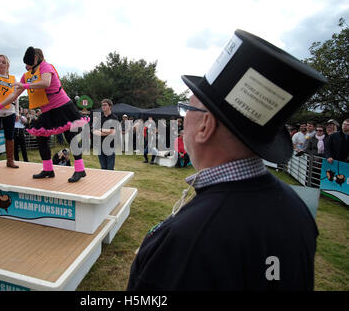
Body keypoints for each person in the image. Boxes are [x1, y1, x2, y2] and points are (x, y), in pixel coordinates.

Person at [127, 29, 327, 291]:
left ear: (205, 126)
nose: (183, 118)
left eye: (187, 108)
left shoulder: (189, 239)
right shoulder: (297, 208)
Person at [0, 47, 89, 182]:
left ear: (35, 59)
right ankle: (48, 169)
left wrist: (25, 86)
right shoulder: (26, 76)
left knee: (70, 136)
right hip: (48, 111)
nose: (25, 65)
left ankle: (80, 170)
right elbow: (14, 94)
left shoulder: (46, 67)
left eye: (28, 61)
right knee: (41, 137)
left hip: (63, 107)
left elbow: (45, 82)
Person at [93, 99, 118, 170]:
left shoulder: (114, 117)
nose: (103, 106)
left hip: (110, 145)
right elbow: (94, 131)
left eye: (105, 105)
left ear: (110, 106)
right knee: (103, 168)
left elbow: (113, 132)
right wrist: (107, 132)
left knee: (110, 168)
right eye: (102, 105)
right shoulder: (100, 118)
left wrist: (101, 130)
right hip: (100, 145)